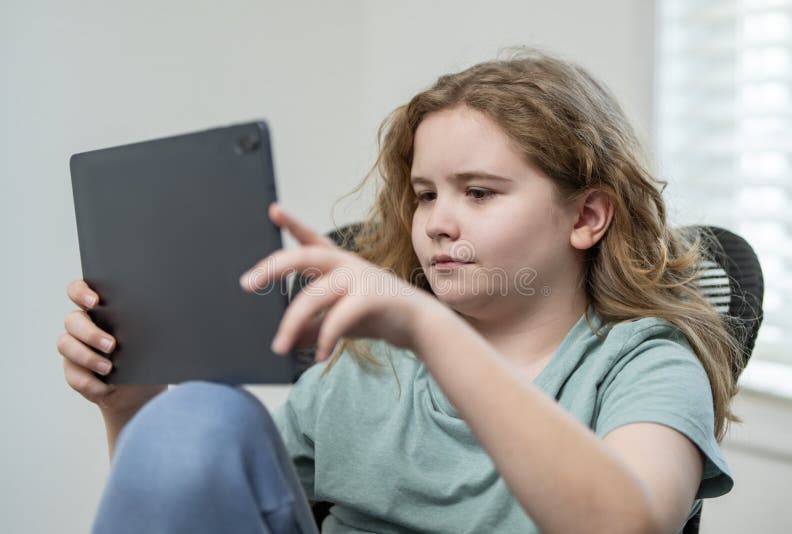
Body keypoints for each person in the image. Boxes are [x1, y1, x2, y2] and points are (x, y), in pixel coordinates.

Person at [57, 48, 740, 533]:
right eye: (425, 195)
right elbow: (209, 513)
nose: (438, 222)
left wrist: (429, 329)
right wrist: (131, 407)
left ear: (586, 217)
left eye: (479, 192)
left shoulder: (644, 363)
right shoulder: (364, 367)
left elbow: (630, 525)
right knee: (196, 416)